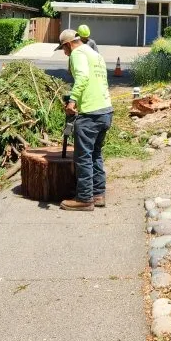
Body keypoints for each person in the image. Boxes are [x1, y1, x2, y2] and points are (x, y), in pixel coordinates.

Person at [54, 28, 113, 211]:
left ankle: (84, 199)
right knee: (95, 154)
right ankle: (98, 194)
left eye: (64, 49)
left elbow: (82, 77)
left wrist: (72, 100)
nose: (65, 53)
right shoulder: (95, 54)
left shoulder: (77, 53)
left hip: (90, 113)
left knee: (83, 157)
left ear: (68, 44)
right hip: (105, 110)